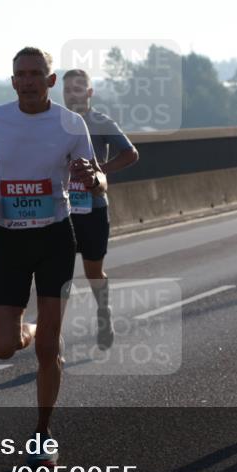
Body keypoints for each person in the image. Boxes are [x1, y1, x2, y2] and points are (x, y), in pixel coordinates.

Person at [0, 47, 105, 467]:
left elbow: (96, 177)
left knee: (48, 348)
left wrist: (94, 179)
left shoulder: (70, 123)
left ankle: (43, 433)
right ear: (12, 81)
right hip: (10, 240)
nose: (27, 81)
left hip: (54, 238)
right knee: (3, 347)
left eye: (36, 74)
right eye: (20, 74)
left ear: (51, 81)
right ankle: (30, 326)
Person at [61, 69, 139, 349]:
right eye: (68, 89)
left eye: (79, 88)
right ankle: (54, 337)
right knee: (60, 275)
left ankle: (103, 313)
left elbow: (131, 153)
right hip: (62, 210)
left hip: (93, 207)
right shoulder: (55, 122)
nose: (73, 94)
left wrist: (99, 171)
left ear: (90, 93)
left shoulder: (101, 122)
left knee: (93, 271)